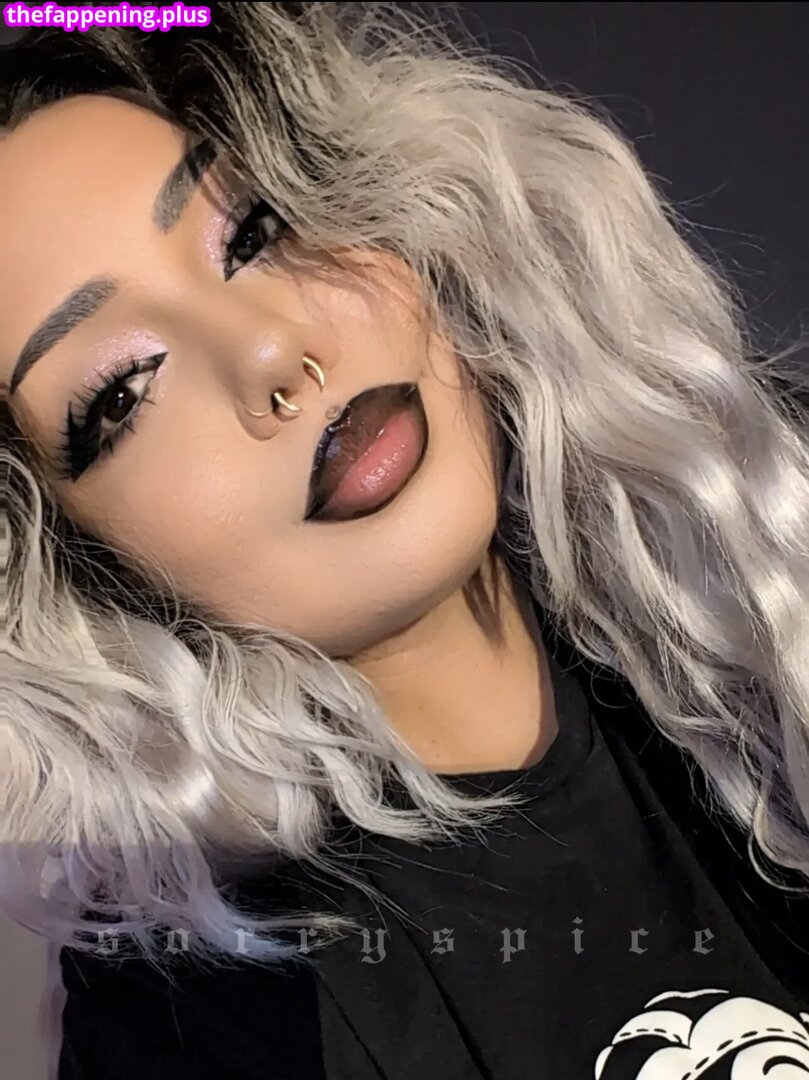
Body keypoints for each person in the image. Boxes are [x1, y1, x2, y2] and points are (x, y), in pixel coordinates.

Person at [3, 3, 809, 1077]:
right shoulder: (201, 1022)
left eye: (254, 232)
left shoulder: (768, 545)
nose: (271, 352)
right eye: (120, 393)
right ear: (77, 572)